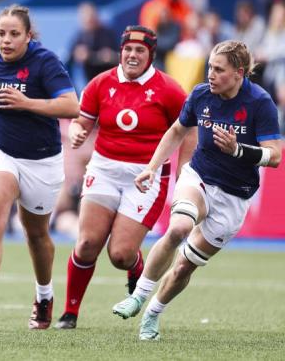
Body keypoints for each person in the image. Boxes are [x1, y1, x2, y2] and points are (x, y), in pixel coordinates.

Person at [111, 40, 281, 341]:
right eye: (209, 67)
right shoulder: (201, 94)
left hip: (235, 196)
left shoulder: (259, 102)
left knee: (183, 267)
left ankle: (152, 314)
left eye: (218, 69)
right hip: (199, 176)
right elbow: (177, 129)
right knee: (178, 228)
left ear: (239, 73)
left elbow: (275, 156)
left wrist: (239, 150)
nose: (210, 75)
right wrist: (152, 166)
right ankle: (138, 295)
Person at [53, 26, 191, 330]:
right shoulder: (101, 83)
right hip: (103, 169)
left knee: (120, 254)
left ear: (151, 55)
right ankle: (70, 312)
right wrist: (77, 133)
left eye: (140, 51)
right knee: (87, 242)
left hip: (146, 176)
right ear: (120, 51)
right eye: (128, 49)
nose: (132, 55)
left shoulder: (169, 90)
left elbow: (188, 129)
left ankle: (135, 265)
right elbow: (81, 122)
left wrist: (185, 170)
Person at [0, 4, 79, 330]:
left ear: (29, 36)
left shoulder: (45, 61)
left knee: (36, 233)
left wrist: (29, 104)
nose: (6, 41)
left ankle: (44, 296)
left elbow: (71, 106)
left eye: (14, 34)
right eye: (1, 33)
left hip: (42, 159)